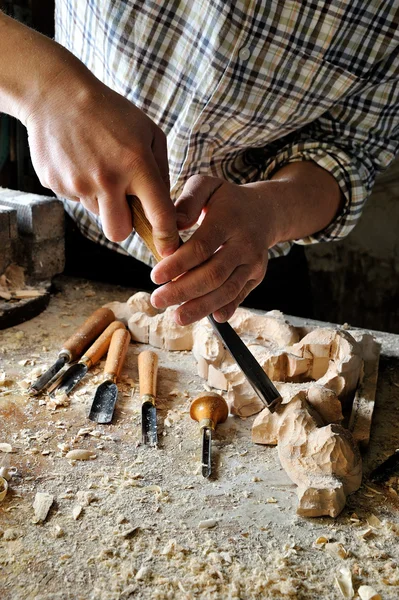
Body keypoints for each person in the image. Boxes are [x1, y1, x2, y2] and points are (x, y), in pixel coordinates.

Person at [0, 2, 398, 325]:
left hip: (246, 266)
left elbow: (351, 149)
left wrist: (272, 210)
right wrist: (48, 90)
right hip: (72, 240)